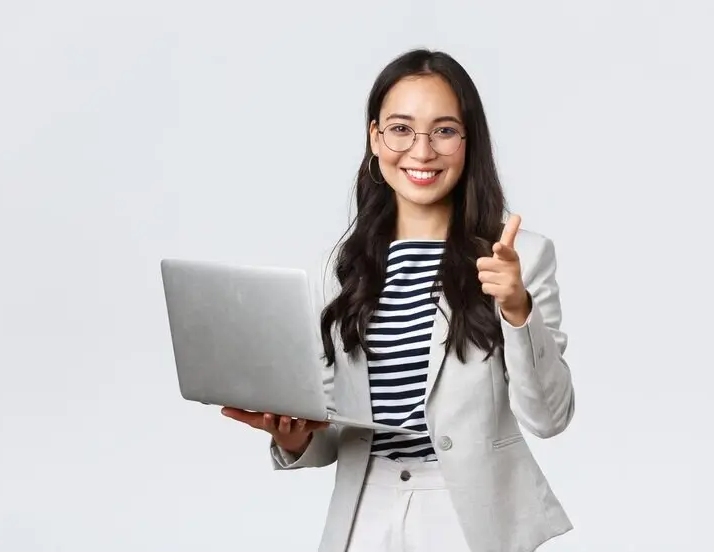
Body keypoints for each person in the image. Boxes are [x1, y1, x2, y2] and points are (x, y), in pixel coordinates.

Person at [221, 48, 575, 552]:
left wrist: (518, 311)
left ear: (468, 142)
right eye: (402, 129)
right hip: (366, 511)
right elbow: (331, 431)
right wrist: (292, 435)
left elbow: (549, 417)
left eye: (445, 130)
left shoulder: (519, 256)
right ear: (375, 138)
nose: (422, 151)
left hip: (467, 515)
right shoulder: (340, 269)